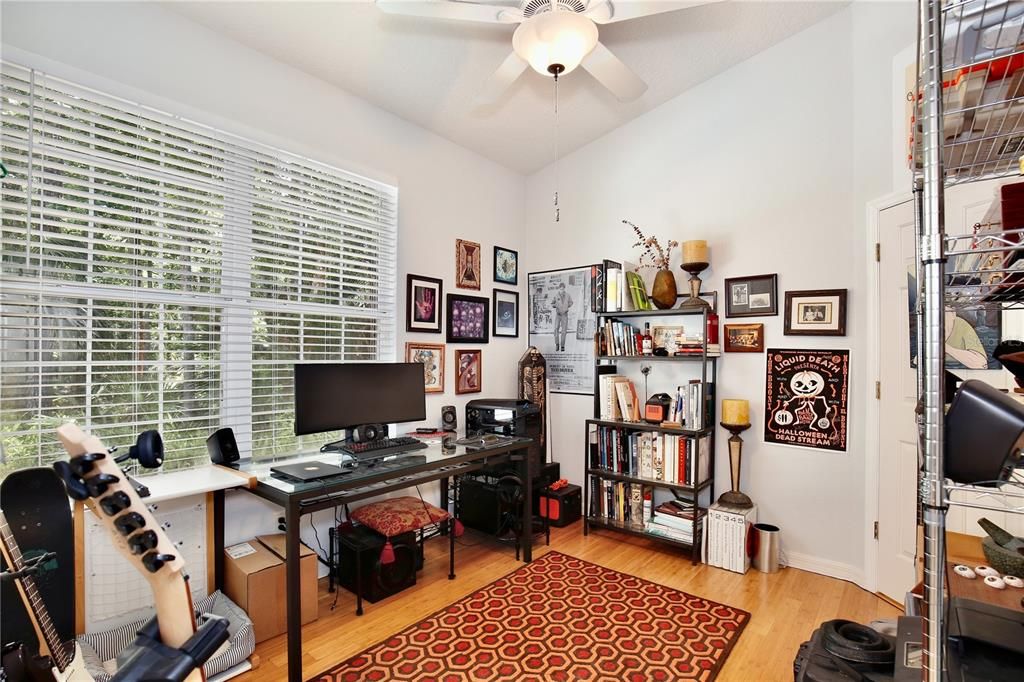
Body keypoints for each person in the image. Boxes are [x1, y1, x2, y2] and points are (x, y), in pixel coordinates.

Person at [551, 282, 573, 352]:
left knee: (564, 331)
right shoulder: (556, 295)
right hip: (558, 315)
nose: (562, 290)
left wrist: (567, 306)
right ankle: (557, 344)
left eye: (563, 289)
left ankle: (562, 345)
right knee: (556, 329)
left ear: (564, 288)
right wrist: (556, 305)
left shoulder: (568, 295)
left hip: (565, 315)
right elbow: (552, 303)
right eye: (560, 289)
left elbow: (571, 302)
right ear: (559, 289)